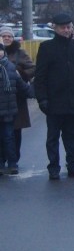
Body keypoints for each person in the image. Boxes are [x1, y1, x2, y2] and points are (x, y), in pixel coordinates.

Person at [33, 12, 74, 180]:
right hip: (54, 101)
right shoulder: (46, 48)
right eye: (63, 28)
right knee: (53, 137)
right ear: (56, 28)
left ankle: (73, 165)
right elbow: (40, 77)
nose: (67, 30)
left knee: (73, 136)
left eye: (69, 27)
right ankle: (54, 167)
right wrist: (42, 99)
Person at [0, 26, 34, 173]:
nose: (7, 38)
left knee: (15, 130)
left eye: (9, 36)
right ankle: (3, 160)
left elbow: (32, 68)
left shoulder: (20, 53)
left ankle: (14, 159)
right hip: (3, 98)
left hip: (17, 97)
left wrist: (19, 73)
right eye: (4, 36)